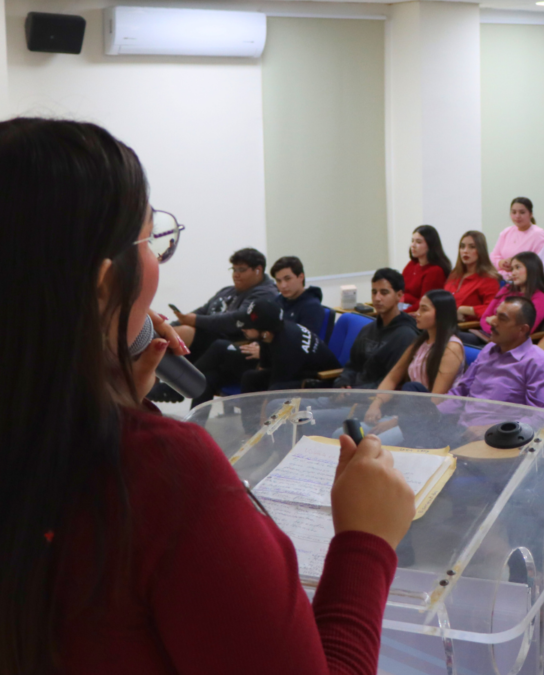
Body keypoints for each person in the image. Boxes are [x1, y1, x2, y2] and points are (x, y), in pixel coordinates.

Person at [0, 117, 415, 674]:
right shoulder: (163, 474)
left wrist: (114, 400)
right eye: (151, 241)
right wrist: (367, 542)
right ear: (104, 285)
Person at [363, 290, 466, 431]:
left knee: (372, 441)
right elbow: (393, 377)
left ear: (442, 314)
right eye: (418, 308)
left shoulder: (452, 347)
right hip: (408, 413)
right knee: (352, 432)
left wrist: (393, 422)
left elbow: (436, 400)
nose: (417, 313)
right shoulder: (420, 342)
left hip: (430, 421)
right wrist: (376, 404)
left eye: (424, 310)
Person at [168, 247, 277, 361]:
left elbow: (237, 320)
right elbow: (201, 312)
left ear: (258, 270)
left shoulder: (265, 294)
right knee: (167, 332)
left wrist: (196, 320)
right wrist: (168, 326)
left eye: (241, 270)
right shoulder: (227, 291)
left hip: (233, 342)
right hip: (212, 338)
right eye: (234, 270)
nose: (236, 275)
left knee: (184, 332)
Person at [451, 297, 544, 411]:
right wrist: (435, 412)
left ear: (522, 329)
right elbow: (460, 392)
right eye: (495, 315)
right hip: (462, 423)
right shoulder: (489, 349)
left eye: (502, 319)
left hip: (498, 427)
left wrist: (490, 428)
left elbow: (542, 416)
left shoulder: (539, 363)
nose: (492, 321)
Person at [334, 268, 420, 389]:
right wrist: (343, 383)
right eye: (374, 292)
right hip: (350, 394)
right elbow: (352, 366)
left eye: (384, 293)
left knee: (307, 407)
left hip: (373, 401)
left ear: (399, 295)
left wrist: (353, 393)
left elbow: (391, 381)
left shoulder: (406, 336)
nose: (377, 298)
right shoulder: (367, 330)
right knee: (304, 404)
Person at [236, 300, 341, 394]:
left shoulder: (286, 348)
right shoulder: (272, 331)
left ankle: (256, 415)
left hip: (322, 382)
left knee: (274, 390)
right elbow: (264, 367)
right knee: (250, 377)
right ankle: (249, 413)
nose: (243, 329)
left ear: (265, 333)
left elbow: (274, 391)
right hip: (298, 373)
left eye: (247, 326)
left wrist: (264, 413)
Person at [475, 251, 544, 337]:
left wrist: (495, 322)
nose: (513, 273)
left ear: (531, 269)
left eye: (518, 267)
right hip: (490, 336)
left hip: (511, 344)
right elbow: (485, 318)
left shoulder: (540, 297)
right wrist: (495, 331)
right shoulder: (507, 289)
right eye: (512, 269)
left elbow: (525, 330)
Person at [445, 230, 501, 321]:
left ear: (480, 250)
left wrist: (464, 310)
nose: (465, 251)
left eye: (472, 247)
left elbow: (492, 309)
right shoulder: (455, 274)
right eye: (462, 247)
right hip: (443, 321)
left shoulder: (488, 279)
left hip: (465, 327)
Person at [489, 197, 544, 279]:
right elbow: (493, 256)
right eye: (514, 212)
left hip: (526, 281)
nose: (517, 216)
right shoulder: (507, 232)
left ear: (531, 214)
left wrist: (515, 265)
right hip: (502, 278)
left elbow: (541, 263)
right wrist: (501, 263)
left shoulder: (539, 235)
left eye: (522, 212)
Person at [402, 224, 452, 313]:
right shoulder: (412, 264)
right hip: (403, 309)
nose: (413, 245)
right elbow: (398, 290)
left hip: (417, 315)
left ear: (430, 245)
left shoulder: (435, 271)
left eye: (418, 242)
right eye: (412, 241)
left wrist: (401, 314)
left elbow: (424, 303)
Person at [269, 256, 325, 336]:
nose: (283, 285)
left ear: (301, 277)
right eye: (278, 281)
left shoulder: (312, 307)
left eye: (287, 279)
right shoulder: (278, 301)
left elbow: (305, 343)